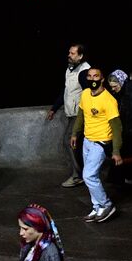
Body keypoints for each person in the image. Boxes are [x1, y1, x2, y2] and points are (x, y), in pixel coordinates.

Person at [71, 66, 124, 224]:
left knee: (88, 175)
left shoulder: (109, 100)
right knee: (90, 177)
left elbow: (117, 127)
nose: (93, 79)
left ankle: (107, 205)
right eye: (90, 76)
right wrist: (75, 133)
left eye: (96, 76)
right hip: (87, 140)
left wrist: (116, 150)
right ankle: (97, 207)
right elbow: (81, 115)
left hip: (100, 142)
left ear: (101, 79)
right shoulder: (86, 94)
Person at [46, 43, 90, 188]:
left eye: (72, 53)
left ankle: (78, 176)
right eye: (69, 53)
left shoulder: (85, 72)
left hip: (80, 114)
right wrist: (54, 108)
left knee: (69, 141)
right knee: (77, 144)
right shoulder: (70, 70)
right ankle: (84, 173)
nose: (69, 55)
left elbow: (90, 93)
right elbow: (66, 91)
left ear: (81, 56)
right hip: (71, 113)